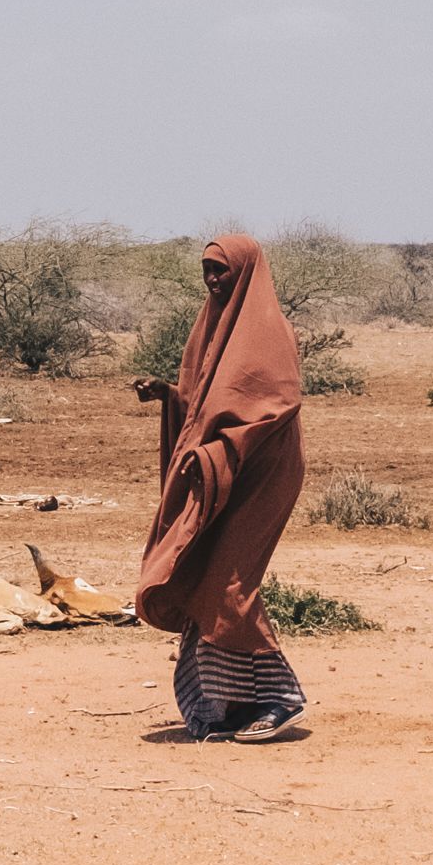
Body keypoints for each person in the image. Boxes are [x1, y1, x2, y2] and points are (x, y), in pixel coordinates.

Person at [130, 232, 308, 741]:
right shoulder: (208, 330)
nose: (212, 279)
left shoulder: (270, 332)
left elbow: (275, 407)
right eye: (206, 270)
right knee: (203, 569)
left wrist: (218, 449)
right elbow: (201, 404)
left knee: (228, 580)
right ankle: (229, 703)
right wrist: (167, 395)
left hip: (262, 470)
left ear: (246, 271)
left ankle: (278, 698)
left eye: (221, 270)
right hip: (221, 468)